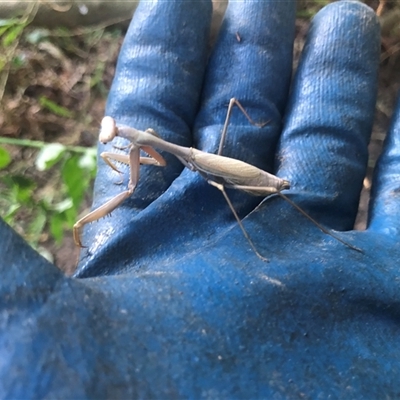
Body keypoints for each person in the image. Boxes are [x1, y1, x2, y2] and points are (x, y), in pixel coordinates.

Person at [1, 0, 399, 397]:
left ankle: (309, 234)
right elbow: (135, 160)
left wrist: (254, 250)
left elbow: (134, 181)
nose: (111, 139)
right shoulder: (147, 144)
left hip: (247, 177)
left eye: (114, 133)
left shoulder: (154, 147)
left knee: (239, 188)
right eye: (112, 137)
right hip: (211, 163)